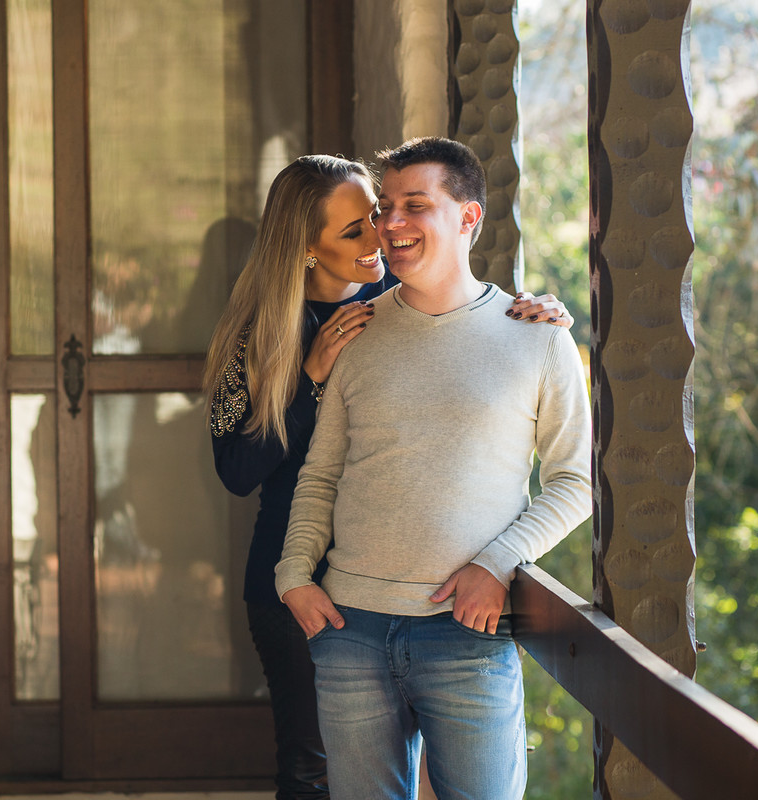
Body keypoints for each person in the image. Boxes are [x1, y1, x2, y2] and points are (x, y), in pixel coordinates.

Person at [203, 153, 573, 800]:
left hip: (399, 593)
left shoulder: (384, 305)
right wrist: (310, 378)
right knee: (308, 769)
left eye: (374, 216)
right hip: (295, 576)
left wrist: (536, 310)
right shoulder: (261, 335)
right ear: (307, 249)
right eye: (357, 230)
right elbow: (239, 470)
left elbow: (459, 321)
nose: (381, 234)